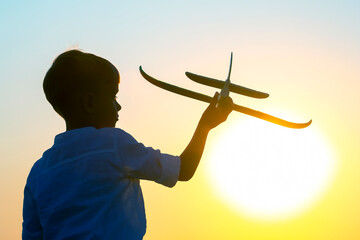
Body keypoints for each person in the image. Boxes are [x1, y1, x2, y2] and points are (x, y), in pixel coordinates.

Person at [22, 50, 233, 239]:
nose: (119, 106)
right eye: (113, 97)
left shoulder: (38, 172)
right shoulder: (113, 144)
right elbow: (184, 169)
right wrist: (205, 126)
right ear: (89, 102)